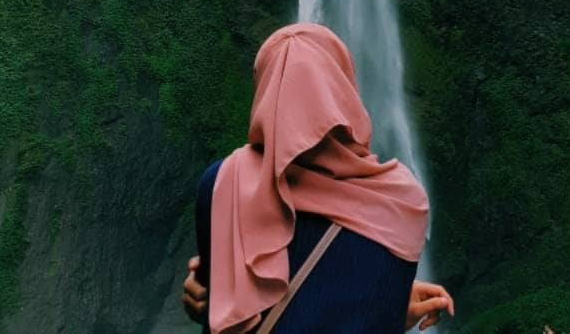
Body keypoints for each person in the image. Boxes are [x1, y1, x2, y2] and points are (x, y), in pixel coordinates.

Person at [180, 22, 455, 333]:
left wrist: (210, 291)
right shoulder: (403, 206)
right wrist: (389, 307)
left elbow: (217, 303)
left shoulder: (221, 185)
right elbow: (357, 310)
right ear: (344, 90)